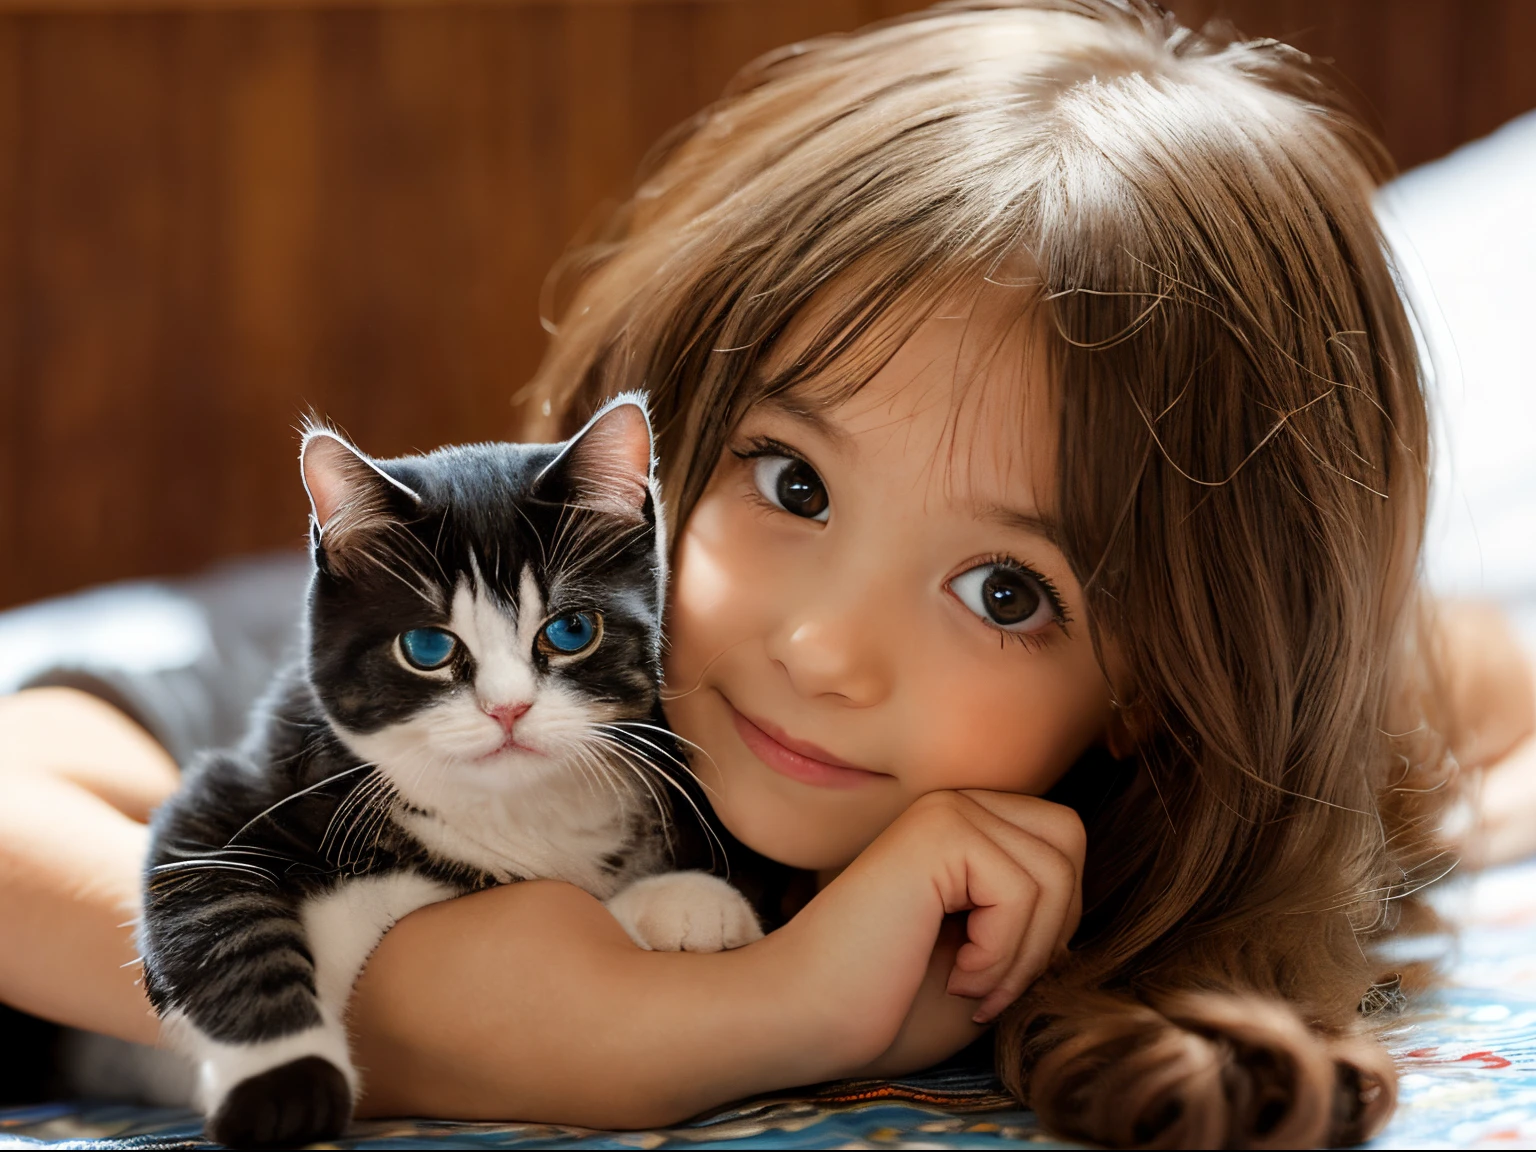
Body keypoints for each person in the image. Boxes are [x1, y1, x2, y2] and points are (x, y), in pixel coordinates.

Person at [2, 3, 1533, 1146]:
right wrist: (724, 1012)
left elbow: (1433, 679)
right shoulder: (487, 655)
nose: (819, 647)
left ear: (1165, 691)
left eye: (1007, 591)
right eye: (789, 483)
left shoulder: (1241, 759)